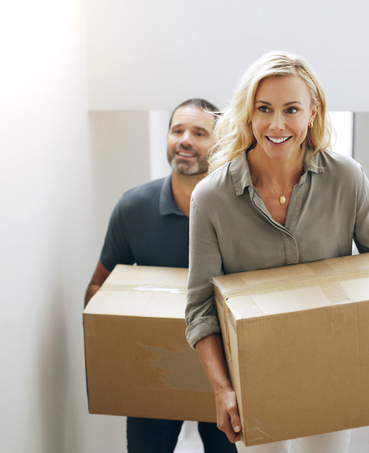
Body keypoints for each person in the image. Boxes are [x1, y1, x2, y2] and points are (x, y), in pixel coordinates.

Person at [185, 52, 369, 453]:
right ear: (248, 114)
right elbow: (199, 308)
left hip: (333, 371)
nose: (277, 125)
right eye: (264, 109)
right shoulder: (212, 198)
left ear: (313, 113)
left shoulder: (346, 178)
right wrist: (222, 390)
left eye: (291, 109)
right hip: (253, 377)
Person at [85, 98, 238, 453]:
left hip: (225, 380)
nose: (184, 139)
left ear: (220, 144)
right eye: (177, 130)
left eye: (199, 132)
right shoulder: (133, 207)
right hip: (152, 376)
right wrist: (108, 347)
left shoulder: (237, 211)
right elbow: (98, 286)